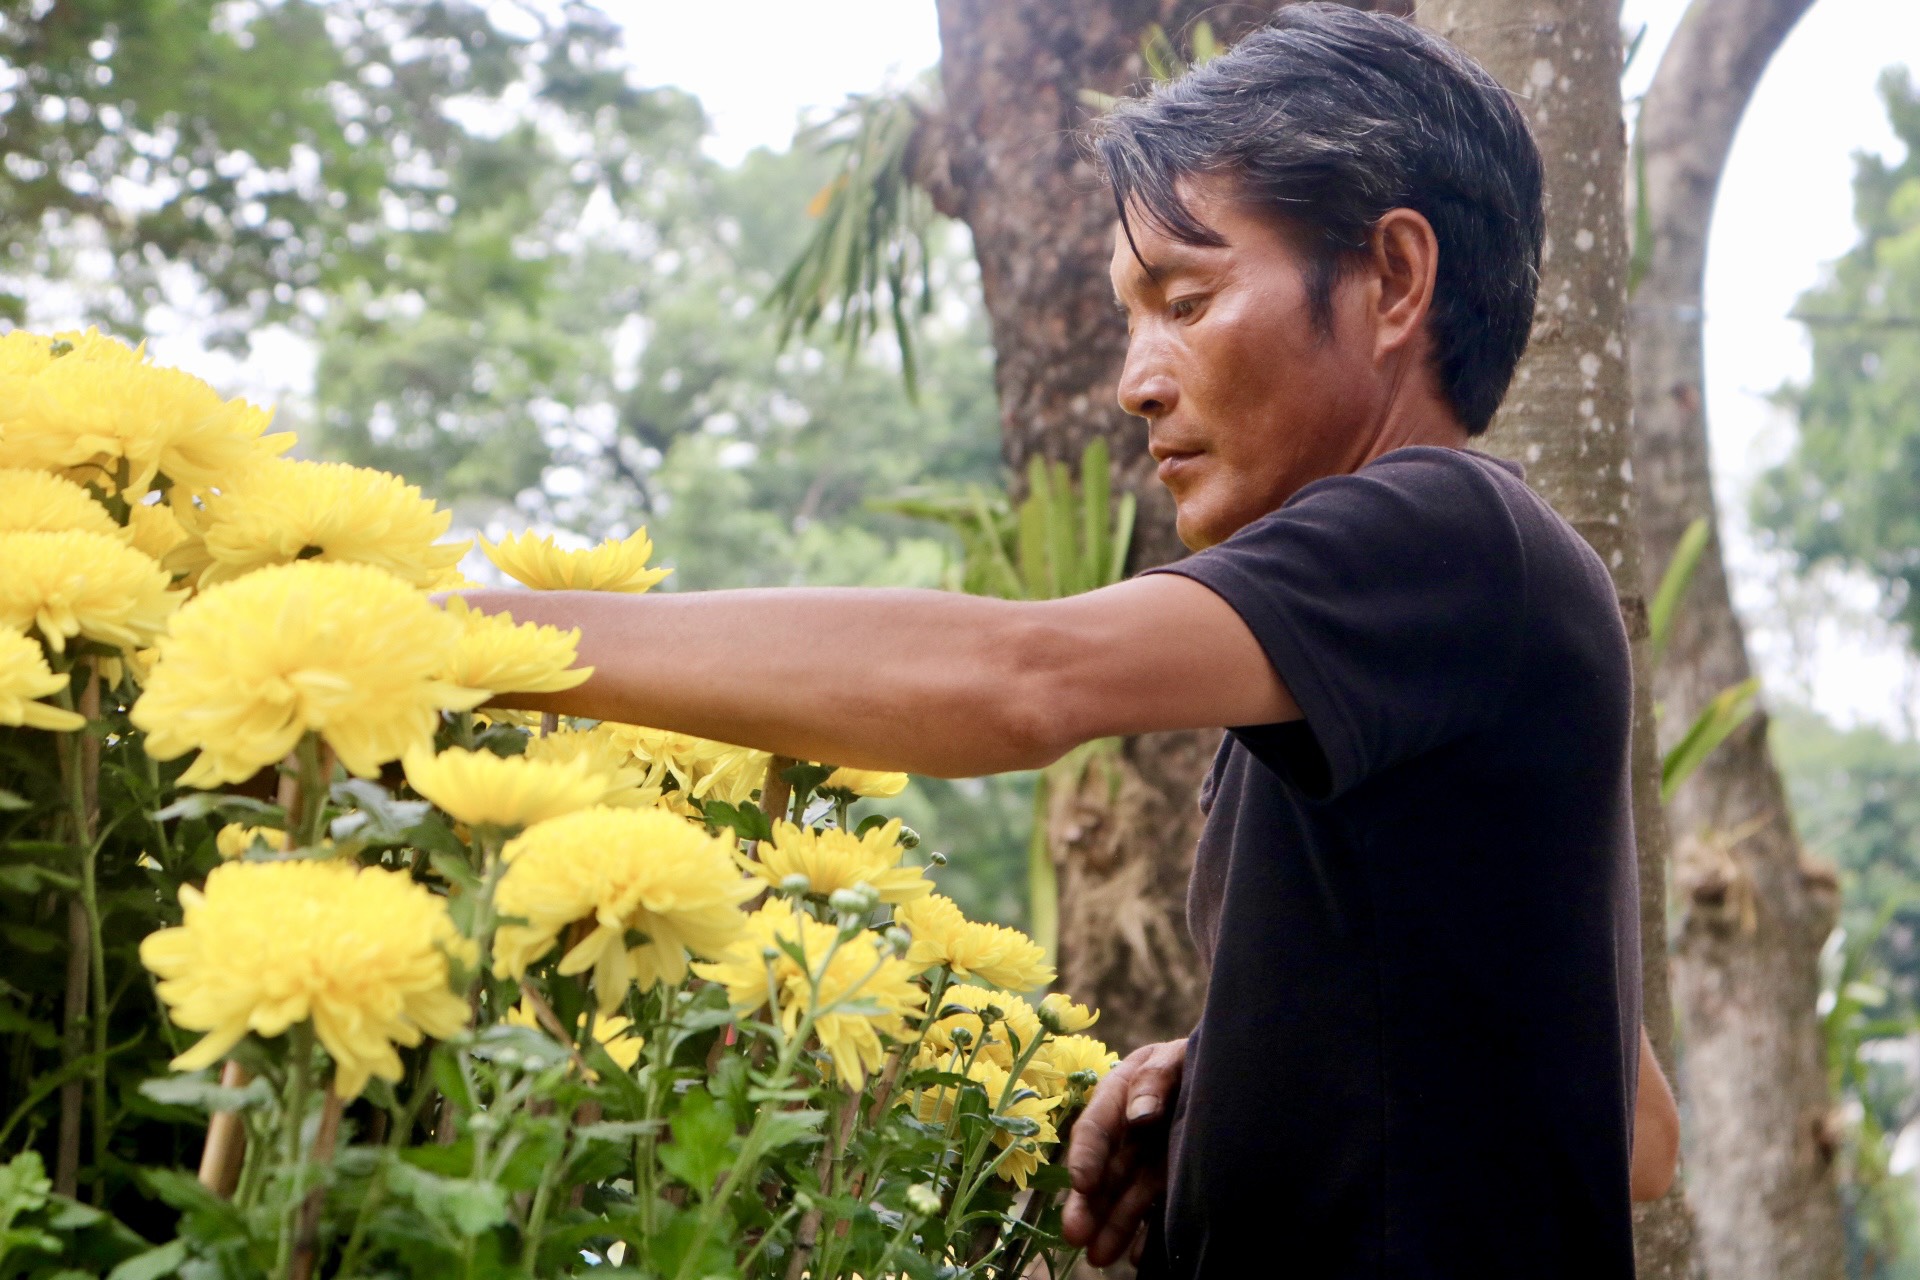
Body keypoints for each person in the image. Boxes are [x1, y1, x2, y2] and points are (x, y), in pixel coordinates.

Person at [463, 5, 1681, 1275]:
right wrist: (1227, 1077)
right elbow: (1633, 1128)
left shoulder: (1442, 526)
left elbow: (1021, 677)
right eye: (1130, 316)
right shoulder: (1443, 614)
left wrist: (474, 640)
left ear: (1393, 279)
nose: (1137, 379)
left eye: (1188, 300)